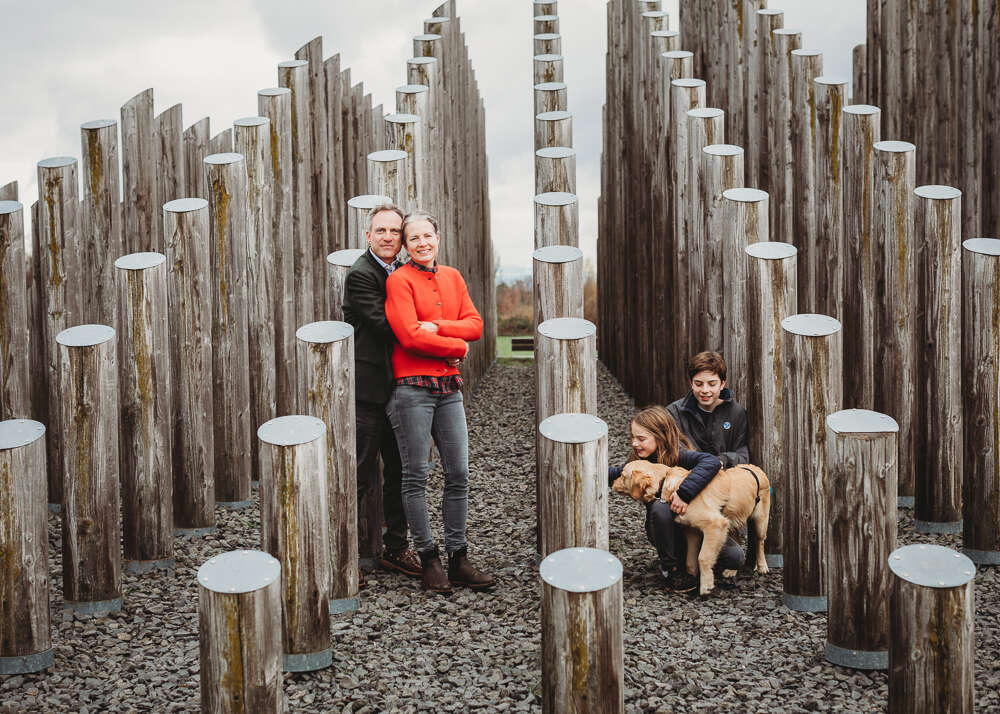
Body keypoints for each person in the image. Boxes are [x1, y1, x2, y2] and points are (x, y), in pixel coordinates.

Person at [384, 209, 495, 594]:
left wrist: (442, 329)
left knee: (459, 474)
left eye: (427, 236)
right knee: (416, 475)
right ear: (405, 244)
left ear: (437, 237)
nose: (422, 243)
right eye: (413, 238)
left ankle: (458, 556)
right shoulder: (399, 280)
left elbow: (476, 324)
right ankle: (429, 558)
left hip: (449, 389)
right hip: (410, 390)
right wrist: (457, 345)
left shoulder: (453, 277)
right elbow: (410, 336)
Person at [343, 203, 422, 581]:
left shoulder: (407, 272)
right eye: (382, 231)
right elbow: (388, 325)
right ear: (368, 235)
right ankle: (343, 557)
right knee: (357, 473)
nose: (389, 237)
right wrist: (434, 335)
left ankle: (396, 549)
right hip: (369, 391)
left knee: (402, 471)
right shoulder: (361, 274)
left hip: (404, 388)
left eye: (395, 231)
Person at [608, 406, 743, 593]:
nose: (635, 443)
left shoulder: (680, 455)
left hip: (697, 526)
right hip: (667, 530)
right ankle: (673, 568)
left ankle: (698, 563)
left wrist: (684, 493)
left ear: (661, 436)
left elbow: (711, 462)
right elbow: (616, 474)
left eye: (641, 439)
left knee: (734, 557)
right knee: (660, 507)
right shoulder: (639, 464)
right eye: (632, 437)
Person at [666, 351, 749, 468]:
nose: (705, 390)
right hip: (687, 477)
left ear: (722, 384)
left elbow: (742, 455)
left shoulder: (737, 413)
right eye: (699, 384)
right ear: (691, 383)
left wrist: (723, 460)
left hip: (726, 477)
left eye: (712, 384)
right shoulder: (673, 413)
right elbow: (671, 451)